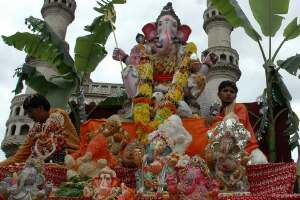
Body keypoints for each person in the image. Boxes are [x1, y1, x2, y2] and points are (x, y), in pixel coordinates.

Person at [0, 94, 79, 166]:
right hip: (50, 166)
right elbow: (19, 157)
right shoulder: (36, 128)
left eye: (30, 111)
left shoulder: (58, 115)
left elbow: (47, 141)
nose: (29, 116)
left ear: (40, 108)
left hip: (73, 161)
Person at [212, 80, 268, 164]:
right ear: (219, 94)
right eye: (225, 90)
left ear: (235, 96)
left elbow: (236, 124)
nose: (228, 93)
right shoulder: (217, 115)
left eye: (232, 91)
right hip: (224, 153)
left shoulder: (240, 107)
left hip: (247, 150)